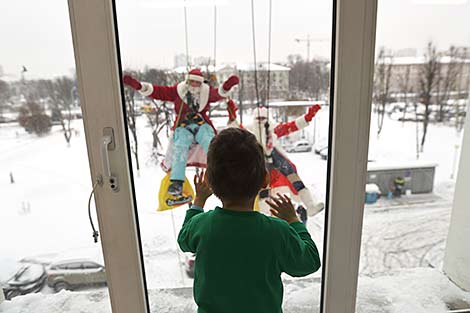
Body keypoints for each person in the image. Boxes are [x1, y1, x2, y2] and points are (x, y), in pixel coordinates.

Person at [178, 128, 321, 313]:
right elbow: (309, 262)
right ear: (265, 179)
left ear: (209, 181)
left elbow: (184, 240)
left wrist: (199, 201)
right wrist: (294, 221)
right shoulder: (276, 231)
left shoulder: (202, 226)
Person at [123, 69, 239, 196]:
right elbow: (159, 92)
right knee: (180, 146)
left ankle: (220, 172)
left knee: (210, 142)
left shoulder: (206, 92)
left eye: (197, 82)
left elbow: (218, 94)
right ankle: (177, 182)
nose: (194, 85)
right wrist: (140, 86)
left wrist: (227, 86)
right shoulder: (178, 91)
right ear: (187, 81)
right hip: (183, 125)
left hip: (201, 124)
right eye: (192, 81)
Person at [246, 106, 324, 216]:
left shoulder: (273, 129)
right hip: (258, 162)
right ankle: (262, 216)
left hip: (275, 160)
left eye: (263, 118)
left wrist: (307, 118)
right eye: (258, 118)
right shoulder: (249, 131)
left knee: (292, 176)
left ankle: (310, 205)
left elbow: (290, 127)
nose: (260, 122)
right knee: (261, 189)